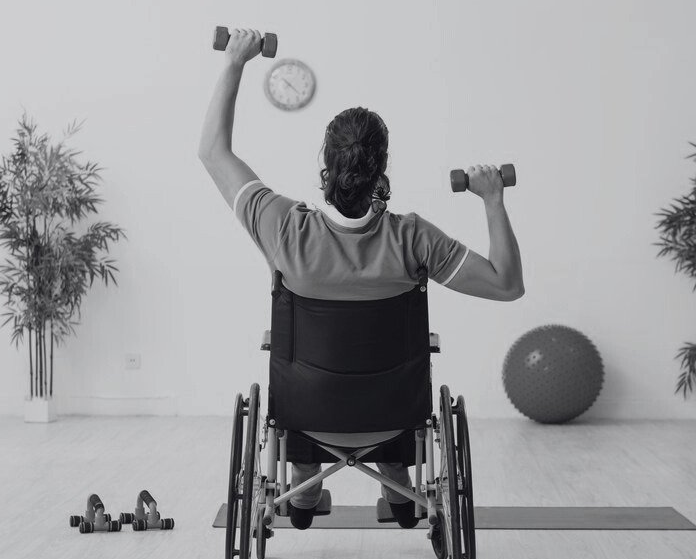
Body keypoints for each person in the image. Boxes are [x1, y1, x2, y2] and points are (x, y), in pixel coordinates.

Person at [198, 29, 524, 530]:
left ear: (326, 167)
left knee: (306, 370)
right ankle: (397, 474)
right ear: (382, 170)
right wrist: (493, 200)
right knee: (388, 373)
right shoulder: (414, 240)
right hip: (393, 415)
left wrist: (236, 61)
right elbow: (507, 284)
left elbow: (213, 152)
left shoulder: (284, 227)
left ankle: (303, 484)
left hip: (307, 415)